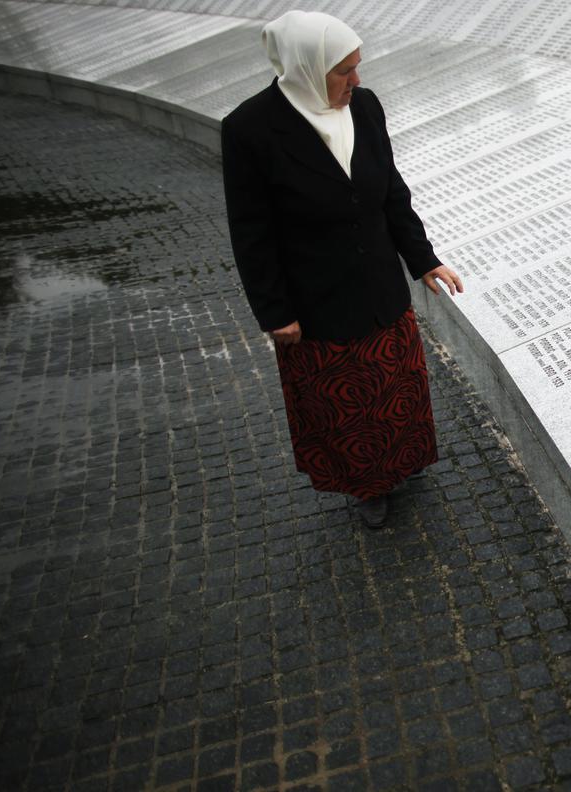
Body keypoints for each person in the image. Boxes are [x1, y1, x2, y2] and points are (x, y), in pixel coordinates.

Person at [220, 10, 463, 528]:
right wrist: (274, 311)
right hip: (317, 299)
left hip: (379, 285)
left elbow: (392, 194)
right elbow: (250, 232)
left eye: (357, 66)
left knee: (396, 389)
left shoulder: (366, 107)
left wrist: (424, 260)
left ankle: (404, 462)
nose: (356, 80)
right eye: (342, 71)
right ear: (306, 67)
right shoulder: (249, 130)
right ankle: (366, 487)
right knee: (345, 405)